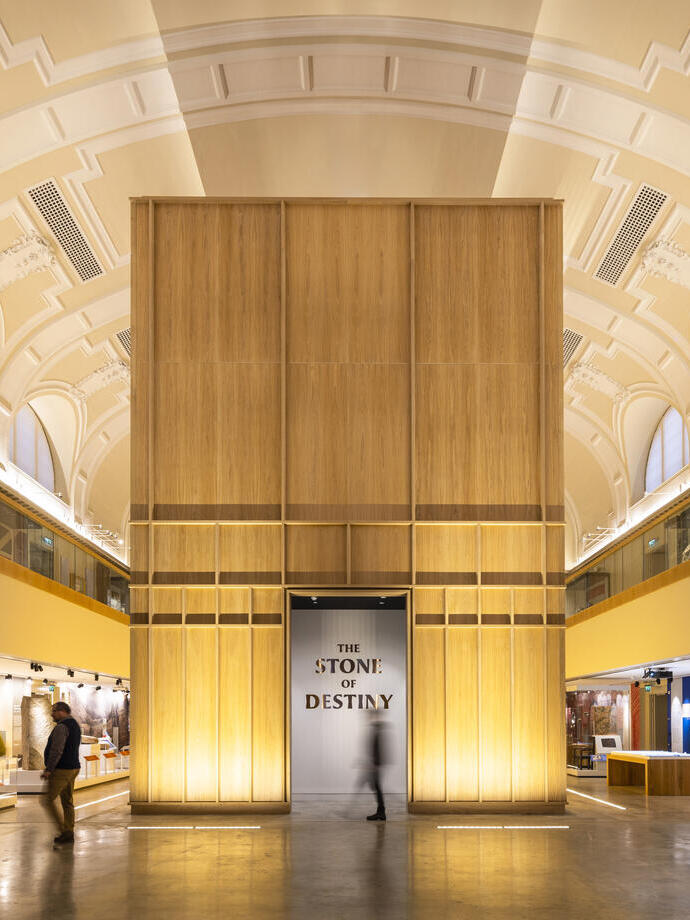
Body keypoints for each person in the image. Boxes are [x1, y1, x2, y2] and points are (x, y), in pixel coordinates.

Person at [41, 700, 81, 845]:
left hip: (62, 769)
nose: (52, 714)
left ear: (62, 711)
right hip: (73, 768)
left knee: (47, 800)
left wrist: (49, 769)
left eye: (54, 711)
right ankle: (68, 830)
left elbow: (57, 750)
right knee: (67, 801)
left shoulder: (62, 727)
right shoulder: (74, 724)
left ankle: (64, 831)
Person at [365, 713, 388, 822]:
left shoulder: (378, 731)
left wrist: (375, 764)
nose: (368, 718)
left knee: (376, 786)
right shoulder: (377, 730)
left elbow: (378, 749)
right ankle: (381, 811)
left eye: (370, 716)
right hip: (375, 764)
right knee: (375, 786)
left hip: (376, 765)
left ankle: (381, 812)